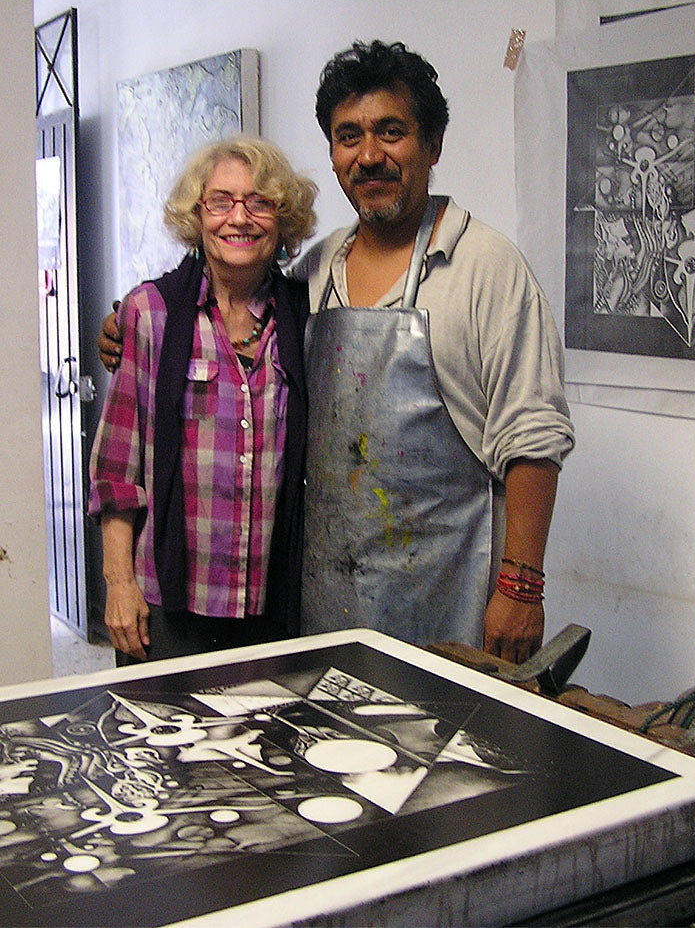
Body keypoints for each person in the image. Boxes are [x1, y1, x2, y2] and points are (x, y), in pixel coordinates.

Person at [99, 41, 574, 664]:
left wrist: (521, 586)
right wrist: (126, 326)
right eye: (349, 136)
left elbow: (533, 434)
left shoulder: (487, 268)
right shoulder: (317, 272)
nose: (369, 155)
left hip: (451, 601)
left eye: (391, 132)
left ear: (432, 145)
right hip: (323, 606)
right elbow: (224, 294)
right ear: (333, 154)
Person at [89, 136, 316, 664]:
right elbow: (117, 472)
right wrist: (119, 584)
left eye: (260, 202)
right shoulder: (151, 314)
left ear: (283, 220)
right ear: (197, 215)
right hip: (166, 605)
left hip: (273, 607)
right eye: (220, 201)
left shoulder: (305, 317)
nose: (239, 218)